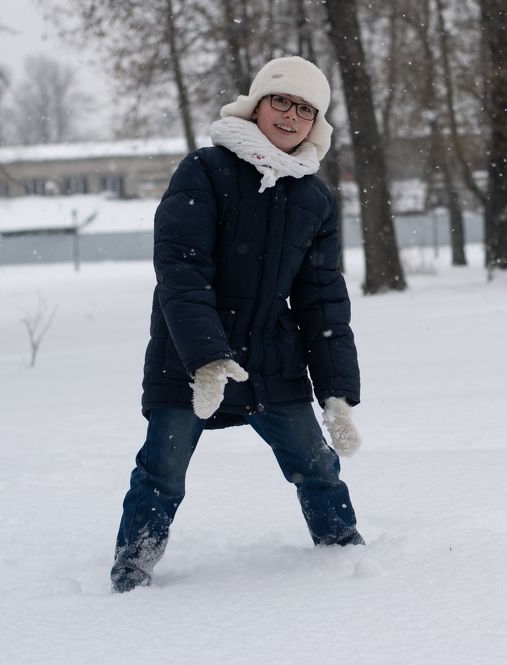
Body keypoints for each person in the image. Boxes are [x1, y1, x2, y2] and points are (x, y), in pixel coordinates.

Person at [111, 56, 364, 594]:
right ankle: (131, 573)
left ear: (315, 122)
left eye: (305, 108)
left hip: (272, 362)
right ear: (257, 104)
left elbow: (322, 299)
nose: (291, 116)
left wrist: (337, 393)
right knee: (162, 473)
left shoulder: (315, 199)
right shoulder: (205, 169)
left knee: (317, 467)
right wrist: (204, 356)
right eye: (281, 101)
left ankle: (345, 559)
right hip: (188, 356)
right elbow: (181, 270)